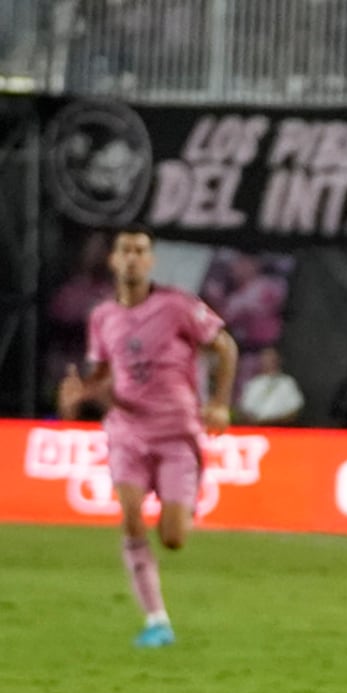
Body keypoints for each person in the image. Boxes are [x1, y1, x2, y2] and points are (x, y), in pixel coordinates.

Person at [56, 224, 238, 648]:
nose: (133, 258)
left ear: (151, 260)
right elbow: (103, 373)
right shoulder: (102, 317)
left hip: (176, 433)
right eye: (126, 250)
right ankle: (157, 621)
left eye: (140, 250)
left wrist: (220, 403)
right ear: (113, 260)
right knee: (131, 518)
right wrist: (82, 392)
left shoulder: (177, 306)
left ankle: (183, 503)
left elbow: (225, 346)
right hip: (127, 431)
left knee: (173, 538)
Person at [237, 347, 304, 425]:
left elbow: (295, 410)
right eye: (264, 358)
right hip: (255, 427)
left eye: (270, 358)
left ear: (278, 360)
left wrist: (272, 421)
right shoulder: (253, 383)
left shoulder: (287, 382)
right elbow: (243, 409)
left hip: (280, 428)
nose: (267, 361)